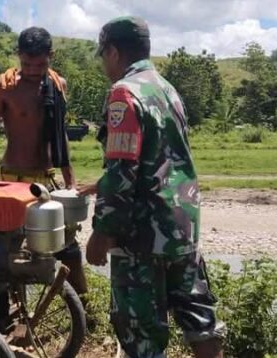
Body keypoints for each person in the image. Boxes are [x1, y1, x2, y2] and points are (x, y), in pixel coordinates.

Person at [82, 16, 225, 358]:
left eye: (104, 55)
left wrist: (102, 233)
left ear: (114, 52)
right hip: (182, 227)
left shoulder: (123, 93)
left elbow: (122, 170)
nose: (104, 64)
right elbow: (159, 157)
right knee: (200, 320)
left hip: (143, 236)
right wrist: (97, 184)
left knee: (141, 332)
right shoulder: (166, 89)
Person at [0, 26, 88, 295]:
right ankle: (10, 313)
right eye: (27, 63)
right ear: (18, 56)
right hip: (11, 180)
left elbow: (60, 134)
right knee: (7, 252)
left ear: (51, 56)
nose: (33, 69)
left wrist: (71, 180)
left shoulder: (58, 85)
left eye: (40, 63)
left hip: (45, 181)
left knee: (68, 249)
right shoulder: (4, 86)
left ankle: (86, 311)